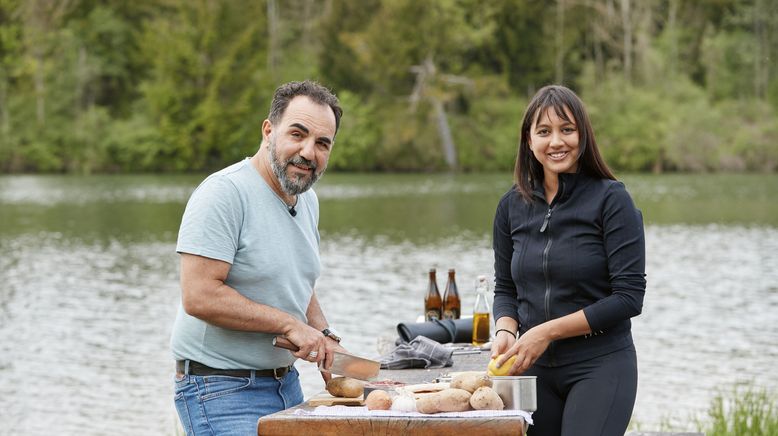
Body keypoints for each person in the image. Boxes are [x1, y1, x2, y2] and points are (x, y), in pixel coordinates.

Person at [170, 80, 347, 435]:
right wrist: (290, 325)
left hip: (286, 385)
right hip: (220, 390)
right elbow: (199, 295)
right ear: (269, 131)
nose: (309, 152)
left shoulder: (306, 198)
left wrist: (324, 334)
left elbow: (295, 280)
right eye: (297, 134)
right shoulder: (223, 194)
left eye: (322, 143)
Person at [490, 85, 646, 436]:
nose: (556, 141)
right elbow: (505, 287)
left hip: (601, 365)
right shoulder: (510, 207)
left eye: (567, 129)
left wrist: (545, 331)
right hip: (532, 368)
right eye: (544, 132)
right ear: (529, 141)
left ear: (583, 136)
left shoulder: (612, 200)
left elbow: (628, 298)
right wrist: (505, 329)